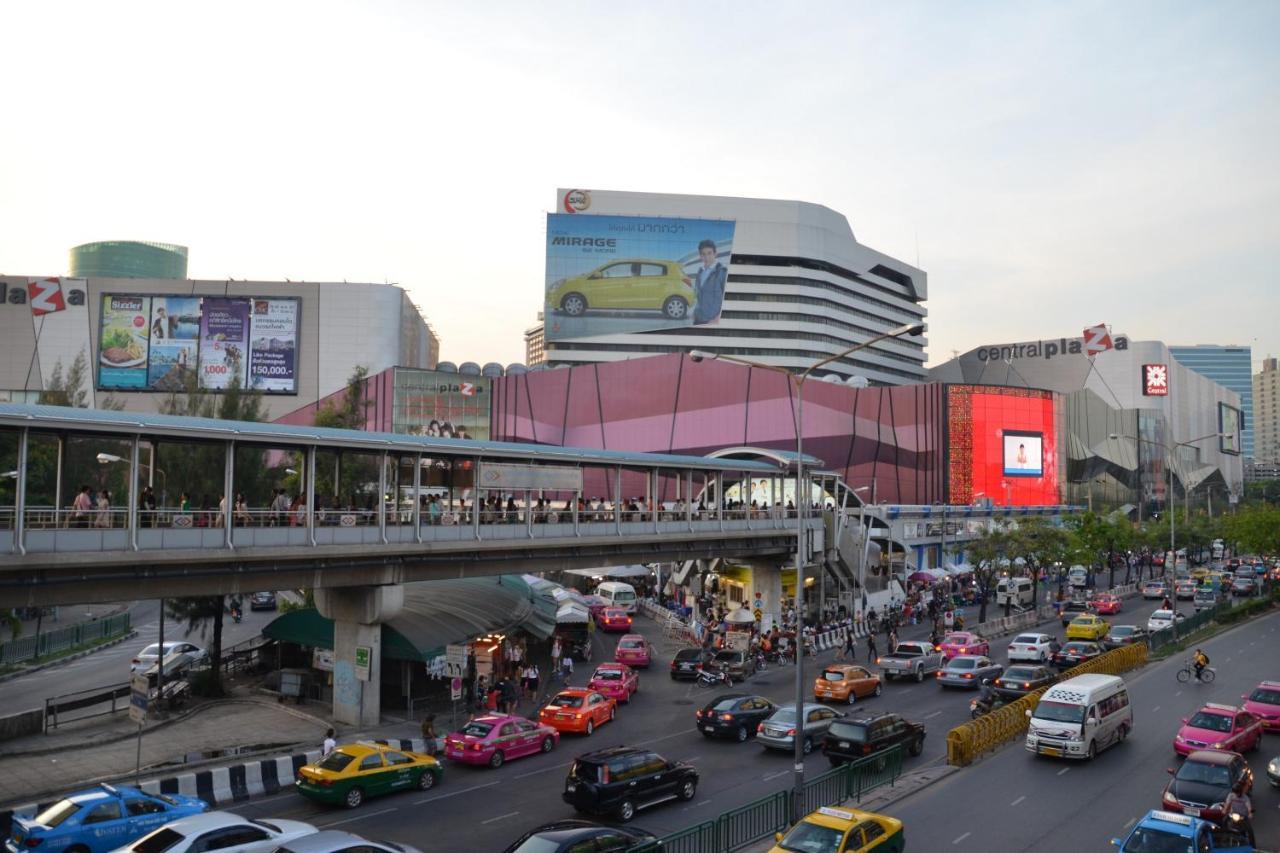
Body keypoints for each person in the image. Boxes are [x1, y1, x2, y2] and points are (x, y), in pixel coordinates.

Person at [691, 238, 728, 325]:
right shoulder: (700, 272)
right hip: (698, 318)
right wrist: (695, 311)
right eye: (703, 254)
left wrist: (718, 318)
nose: (706, 257)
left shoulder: (722, 272)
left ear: (715, 254)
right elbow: (699, 295)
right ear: (700, 256)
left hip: (712, 321)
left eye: (709, 253)